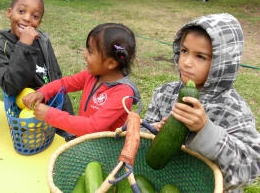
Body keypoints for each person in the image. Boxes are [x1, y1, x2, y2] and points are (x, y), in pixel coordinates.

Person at [143, 13, 260, 192]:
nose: (187, 62)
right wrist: (156, 130)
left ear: (223, 63)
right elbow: (142, 135)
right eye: (184, 51)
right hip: (165, 183)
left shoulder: (234, 111)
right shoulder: (164, 94)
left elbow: (248, 171)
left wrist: (206, 130)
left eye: (201, 57)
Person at [22, 23, 141, 137]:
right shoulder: (91, 76)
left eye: (90, 51)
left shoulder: (123, 93)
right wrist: (42, 92)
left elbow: (93, 126)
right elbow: (64, 83)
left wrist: (50, 115)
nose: (85, 54)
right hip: (84, 144)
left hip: (104, 152)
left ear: (110, 63)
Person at [0, 0, 75, 139]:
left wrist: (68, 118)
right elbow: (12, 86)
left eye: (35, 16)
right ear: (9, 12)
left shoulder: (43, 41)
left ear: (39, 22)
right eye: (21, 11)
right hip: (27, 115)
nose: (27, 18)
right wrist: (23, 46)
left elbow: (56, 77)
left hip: (52, 106)